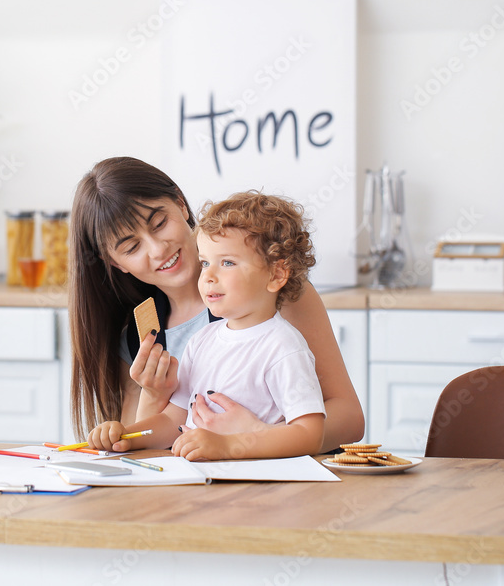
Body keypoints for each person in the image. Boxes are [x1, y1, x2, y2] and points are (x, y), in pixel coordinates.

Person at [68, 156, 364, 451]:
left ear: (181, 204)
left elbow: (350, 419)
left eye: (159, 223)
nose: (158, 249)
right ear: (114, 263)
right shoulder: (139, 337)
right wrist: (152, 397)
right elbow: (152, 444)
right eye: (132, 247)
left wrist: (252, 436)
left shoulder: (271, 293)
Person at [88, 191, 324, 459]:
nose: (208, 276)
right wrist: (127, 437)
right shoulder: (201, 341)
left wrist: (230, 445)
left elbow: (310, 435)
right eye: (205, 262)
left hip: (257, 491)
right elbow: (174, 420)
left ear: (276, 274)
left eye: (227, 263)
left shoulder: (284, 346)